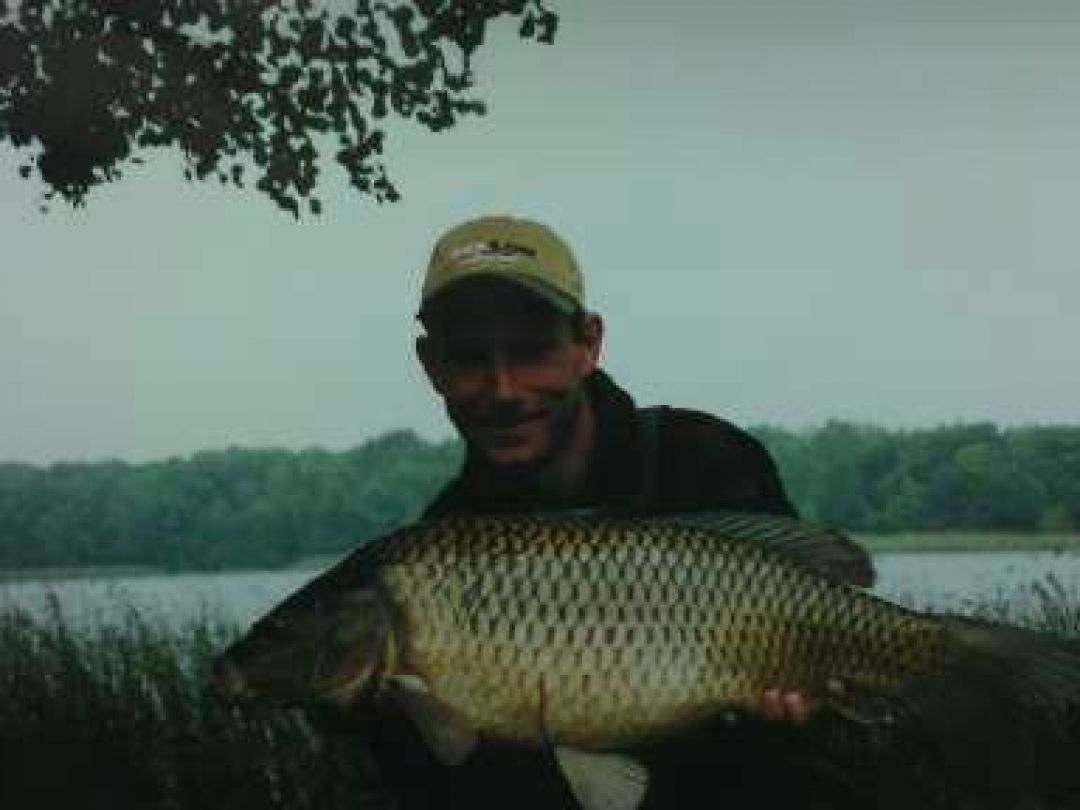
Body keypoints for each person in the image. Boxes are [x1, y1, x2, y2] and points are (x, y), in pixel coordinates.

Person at [364, 214, 863, 809]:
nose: (503, 389)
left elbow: (814, 663)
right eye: (470, 357)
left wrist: (791, 709)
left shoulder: (700, 457)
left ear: (588, 344)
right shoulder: (437, 547)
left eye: (531, 352)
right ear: (431, 365)